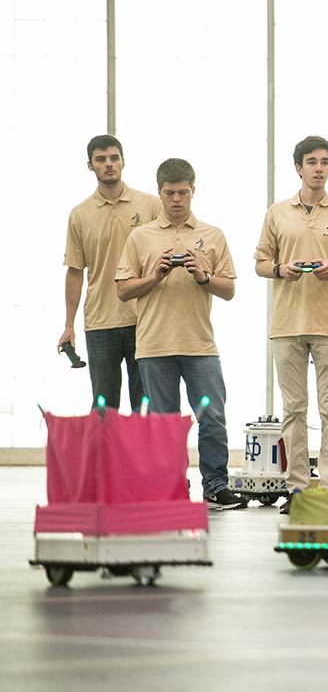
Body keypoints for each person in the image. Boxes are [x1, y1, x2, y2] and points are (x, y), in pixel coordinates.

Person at [115, 158, 244, 510]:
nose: (177, 200)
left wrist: (203, 276)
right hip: (154, 345)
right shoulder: (141, 236)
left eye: (183, 193)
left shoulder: (212, 235)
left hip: (200, 344)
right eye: (170, 193)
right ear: (159, 193)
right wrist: (154, 277)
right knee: (163, 425)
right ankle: (170, 485)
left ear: (193, 191)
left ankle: (216, 484)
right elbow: (123, 290)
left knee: (213, 416)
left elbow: (229, 289)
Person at [254, 136, 328, 513]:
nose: (319, 168)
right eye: (312, 162)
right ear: (299, 168)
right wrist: (278, 269)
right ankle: (298, 488)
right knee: (294, 409)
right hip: (286, 324)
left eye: (324, 162)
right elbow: (259, 264)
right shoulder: (277, 212)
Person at [61, 135, 161, 409]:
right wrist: (69, 325)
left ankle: (142, 455)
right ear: (90, 166)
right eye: (101, 159)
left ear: (123, 162)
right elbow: (74, 272)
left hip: (145, 319)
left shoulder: (151, 206)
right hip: (100, 322)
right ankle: (105, 455)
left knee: (145, 407)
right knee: (104, 408)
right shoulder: (79, 214)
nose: (109, 164)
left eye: (114, 158)